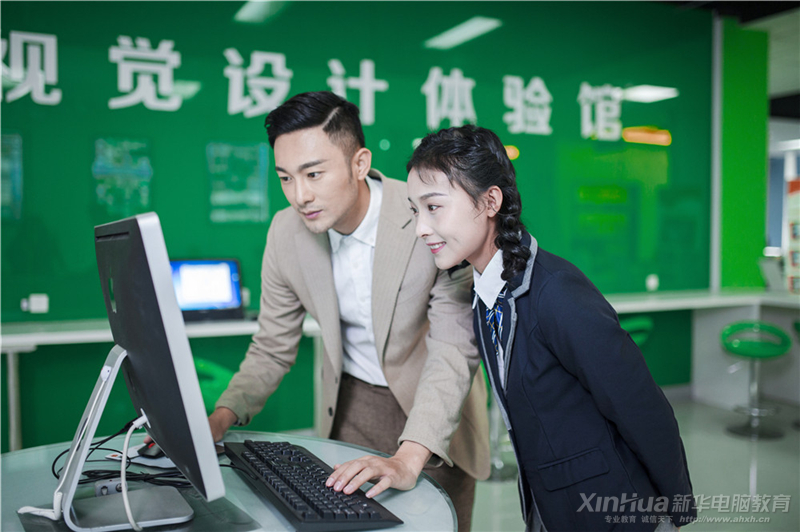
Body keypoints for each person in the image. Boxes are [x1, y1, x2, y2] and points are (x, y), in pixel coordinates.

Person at [210, 92, 489, 531]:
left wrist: (409, 456)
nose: (300, 195)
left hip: (433, 414)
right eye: (285, 178)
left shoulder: (427, 214)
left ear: (359, 163)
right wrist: (219, 419)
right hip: (349, 409)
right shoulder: (285, 233)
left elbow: (453, 349)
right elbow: (271, 347)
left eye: (313, 174)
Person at [406, 125, 696, 532]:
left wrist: (676, 512)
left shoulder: (556, 292)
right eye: (414, 211)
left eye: (433, 207)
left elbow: (642, 408)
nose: (420, 227)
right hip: (553, 508)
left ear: (490, 201)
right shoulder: (484, 293)